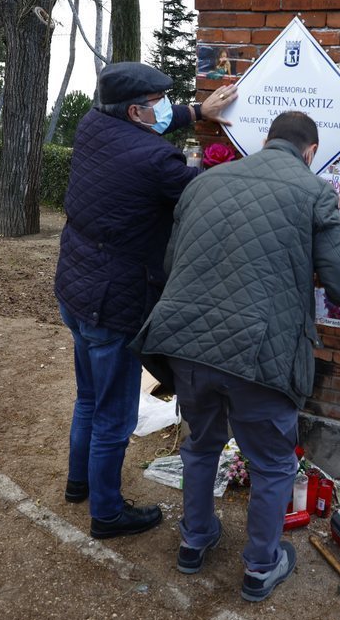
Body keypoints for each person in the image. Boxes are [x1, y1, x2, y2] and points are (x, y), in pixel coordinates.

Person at [131, 112, 340, 602]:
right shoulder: (314, 192)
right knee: (274, 463)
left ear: (266, 140)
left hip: (187, 342)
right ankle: (261, 567)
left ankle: (194, 541)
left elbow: (174, 264)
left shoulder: (204, 183)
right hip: (259, 353)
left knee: (200, 445)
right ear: (310, 152)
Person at [54, 62, 237, 540]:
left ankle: (80, 484)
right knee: (116, 414)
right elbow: (202, 198)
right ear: (135, 111)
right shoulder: (156, 161)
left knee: (88, 398)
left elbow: (144, 128)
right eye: (156, 103)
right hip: (112, 300)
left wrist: (197, 110)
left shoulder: (93, 125)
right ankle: (108, 513)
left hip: (74, 288)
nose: (162, 109)